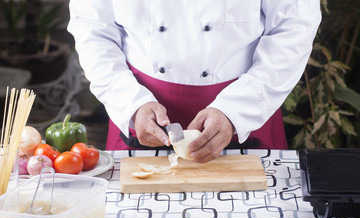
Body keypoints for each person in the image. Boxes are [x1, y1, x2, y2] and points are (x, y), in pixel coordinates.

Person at [68, 1, 321, 163]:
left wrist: (235, 111)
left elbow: (294, 26)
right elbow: (92, 28)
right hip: (141, 110)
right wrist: (130, 104)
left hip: (246, 111)